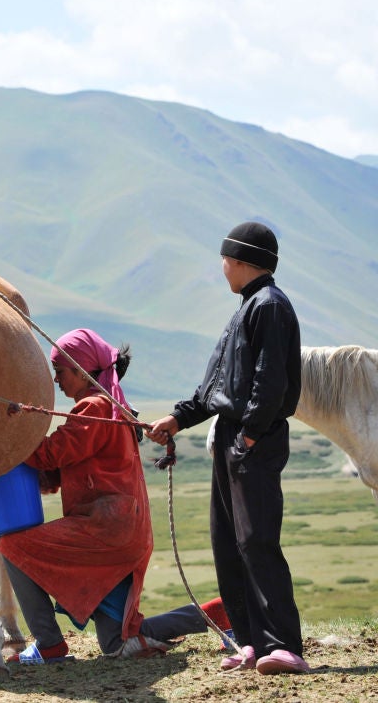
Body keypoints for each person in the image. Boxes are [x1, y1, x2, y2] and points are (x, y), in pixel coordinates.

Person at [0, 328, 225, 663]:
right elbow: (68, 466)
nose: (56, 380)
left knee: (11, 547)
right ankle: (219, 614)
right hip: (120, 529)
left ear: (83, 371)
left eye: (60, 372)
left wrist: (8, 431)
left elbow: (48, 454)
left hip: (104, 532)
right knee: (116, 642)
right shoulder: (113, 407)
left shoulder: (95, 406)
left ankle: (49, 645)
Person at [147, 221, 308, 675]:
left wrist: (250, 435)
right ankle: (251, 643)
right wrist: (178, 419)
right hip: (233, 437)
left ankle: (284, 646)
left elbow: (270, 381)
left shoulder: (269, 307)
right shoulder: (248, 307)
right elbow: (217, 387)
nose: (221, 268)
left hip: (251, 439)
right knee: (229, 544)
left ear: (237, 260)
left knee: (257, 540)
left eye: (224, 260)